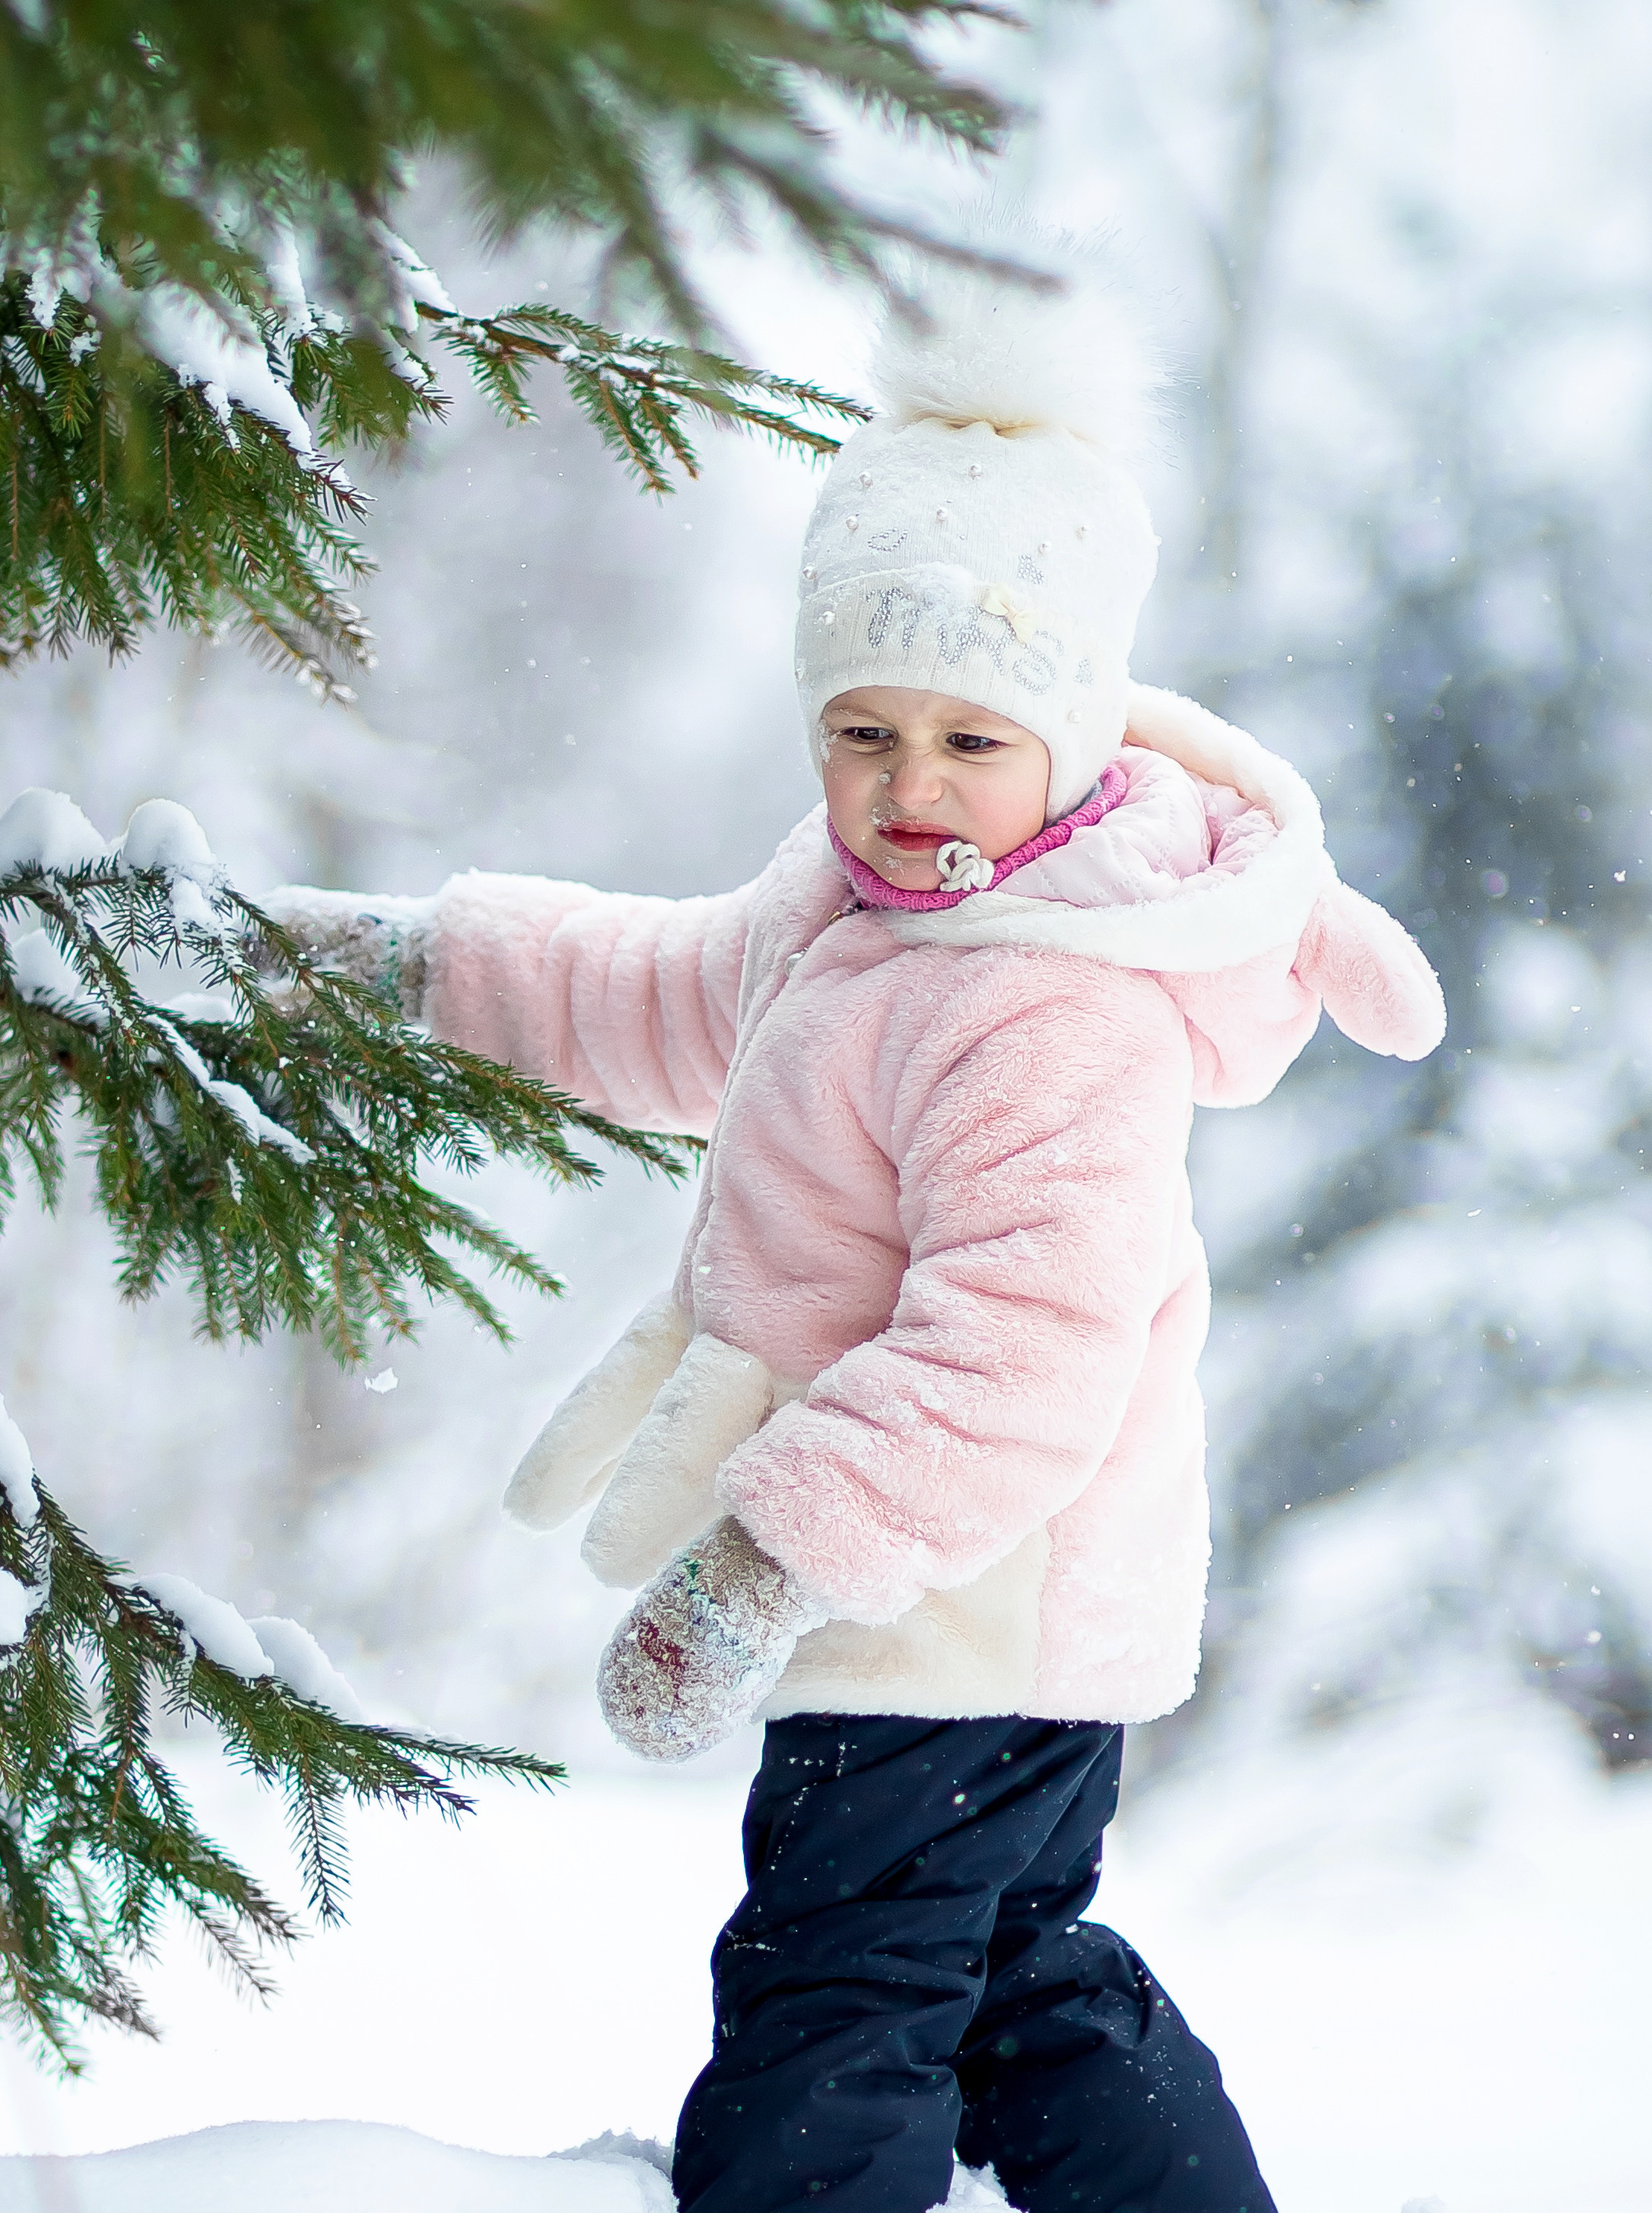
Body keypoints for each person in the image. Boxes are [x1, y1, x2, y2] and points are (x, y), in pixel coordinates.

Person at [269, 253, 1444, 2213]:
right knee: (1008, 1984)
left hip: (946, 1589)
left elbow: (1027, 1346)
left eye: (969, 740)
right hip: (995, 1601)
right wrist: (415, 965)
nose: (908, 792)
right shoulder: (865, 908)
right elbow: (661, 997)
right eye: (860, 732)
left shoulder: (1042, 1006)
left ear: (1067, 734)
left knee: (841, 1987)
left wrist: (759, 1563)